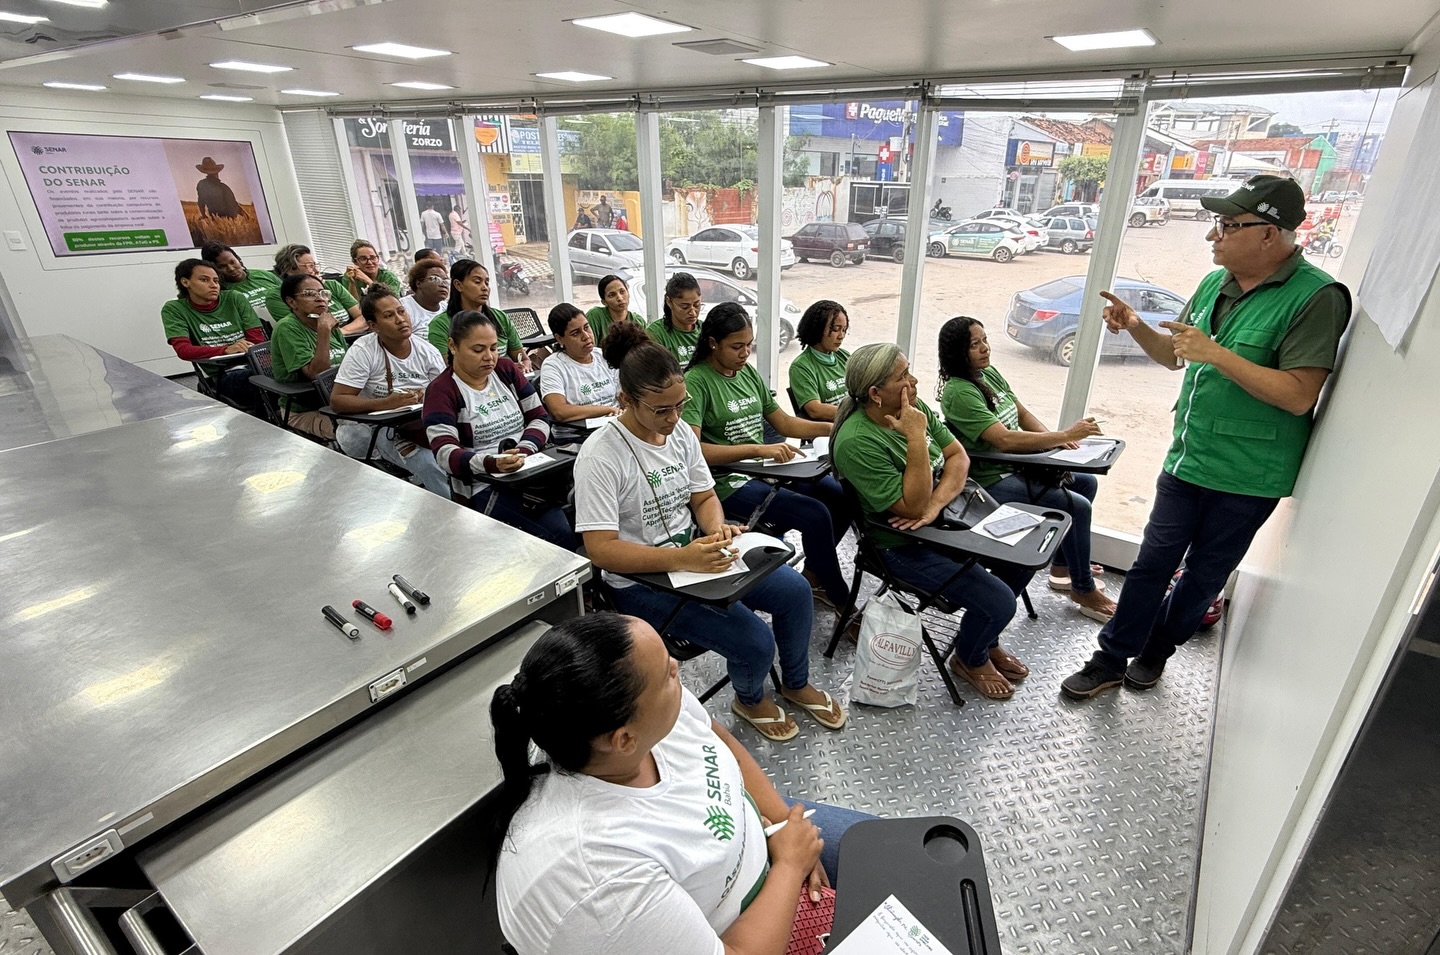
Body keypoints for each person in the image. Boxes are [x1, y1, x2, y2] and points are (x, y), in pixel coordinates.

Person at [1061, 174, 1352, 700]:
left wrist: (1217, 353)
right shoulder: (1214, 284)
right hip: (1188, 459)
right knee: (1151, 563)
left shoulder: (1317, 297)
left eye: (1228, 225)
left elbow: (1298, 395)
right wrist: (1136, 325)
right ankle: (1109, 659)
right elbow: (1175, 355)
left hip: (1249, 475)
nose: (1213, 235)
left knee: (1202, 577)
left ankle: (1157, 651)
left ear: (1269, 233)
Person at [492, 613, 871, 953]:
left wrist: (783, 823)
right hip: (746, 923)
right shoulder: (599, 877)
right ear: (624, 740)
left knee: (888, 847)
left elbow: (718, 740)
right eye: (667, 675)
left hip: (763, 836)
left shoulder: (636, 717)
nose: (677, 666)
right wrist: (789, 866)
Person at [574, 326, 846, 741]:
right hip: (640, 581)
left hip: (694, 555)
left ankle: (795, 682)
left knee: (794, 592)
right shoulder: (600, 455)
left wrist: (716, 527)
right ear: (626, 400)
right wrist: (682, 558)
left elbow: (703, 497)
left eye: (680, 405)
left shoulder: (679, 434)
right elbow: (601, 550)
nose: (674, 418)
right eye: (661, 410)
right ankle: (749, 699)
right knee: (755, 640)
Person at [831, 343, 1035, 701]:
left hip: (945, 522)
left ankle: (984, 638)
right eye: (903, 376)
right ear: (876, 394)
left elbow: (958, 456)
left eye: (909, 370)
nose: (914, 381)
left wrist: (935, 503)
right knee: (1002, 602)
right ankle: (970, 658)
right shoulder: (857, 441)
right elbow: (912, 508)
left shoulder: (911, 408)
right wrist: (915, 439)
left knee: (1024, 558)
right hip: (901, 546)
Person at [937, 316, 1117, 621]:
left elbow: (1021, 413)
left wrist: (1058, 445)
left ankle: (1062, 567)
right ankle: (1083, 588)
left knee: (1086, 482)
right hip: (989, 480)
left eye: (985, 340)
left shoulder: (988, 373)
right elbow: (1004, 439)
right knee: (1078, 507)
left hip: (1018, 466)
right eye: (974, 344)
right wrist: (1062, 435)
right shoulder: (959, 392)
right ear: (957, 352)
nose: (985, 348)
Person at [683, 304, 853, 612]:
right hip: (727, 481)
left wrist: (835, 428)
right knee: (815, 514)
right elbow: (693, 450)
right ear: (712, 343)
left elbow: (785, 423)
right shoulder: (697, 381)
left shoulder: (746, 373)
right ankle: (839, 597)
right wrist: (758, 449)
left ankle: (816, 575)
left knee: (841, 498)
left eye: (749, 345)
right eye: (737, 346)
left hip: (764, 471)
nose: (745, 353)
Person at [422, 309, 575, 549]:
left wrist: (523, 451)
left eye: (493, 348)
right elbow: (444, 453)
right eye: (478, 350)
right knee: (559, 533)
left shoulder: (506, 370)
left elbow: (539, 417)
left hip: (531, 471)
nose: (489, 357)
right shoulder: (442, 390)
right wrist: (493, 463)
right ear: (452, 346)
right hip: (483, 485)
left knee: (582, 513)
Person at [329, 288, 450, 496]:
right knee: (428, 464)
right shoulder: (363, 351)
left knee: (459, 453)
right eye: (388, 315)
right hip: (378, 426)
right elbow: (338, 401)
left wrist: (426, 393)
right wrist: (387, 403)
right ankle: (459, 510)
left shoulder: (426, 350)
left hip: (421, 423)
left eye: (401, 311)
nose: (400, 319)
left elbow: (446, 393)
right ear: (373, 326)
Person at [161, 258, 265, 410]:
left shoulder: (234, 298)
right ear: (185, 282)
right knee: (261, 381)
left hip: (254, 363)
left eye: (216, 281)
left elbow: (257, 340)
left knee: (288, 373)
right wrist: (226, 349)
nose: (213, 285)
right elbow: (184, 350)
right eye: (204, 280)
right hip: (224, 374)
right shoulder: (174, 309)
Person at [268, 272, 348, 441]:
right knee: (362, 433)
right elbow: (317, 374)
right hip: (307, 409)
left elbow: (349, 364)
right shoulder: (287, 328)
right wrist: (324, 331)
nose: (320, 299)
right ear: (291, 302)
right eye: (310, 294)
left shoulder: (327, 323)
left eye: (323, 293)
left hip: (340, 400)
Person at [427, 259, 529, 371]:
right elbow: (449, 368)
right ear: (458, 285)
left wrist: (524, 367)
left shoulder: (500, 317)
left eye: (487, 283)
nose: (484, 288)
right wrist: (505, 369)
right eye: (477, 282)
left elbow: (523, 358)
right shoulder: (440, 325)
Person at [538, 303, 620, 425]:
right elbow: (559, 411)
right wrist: (607, 410)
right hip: (578, 432)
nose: (586, 336)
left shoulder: (603, 355)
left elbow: (624, 396)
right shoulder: (553, 366)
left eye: (586, 328)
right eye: (576, 333)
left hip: (615, 422)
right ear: (559, 339)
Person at [265, 244, 364, 335]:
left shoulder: (332, 285)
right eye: (310, 266)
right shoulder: (276, 296)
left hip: (351, 337)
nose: (316, 270)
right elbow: (304, 327)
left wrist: (342, 332)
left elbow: (363, 317)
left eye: (315, 265)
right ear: (289, 270)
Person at [787, 300, 851, 421]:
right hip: (830, 427)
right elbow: (815, 410)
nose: (841, 336)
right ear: (817, 329)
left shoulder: (844, 356)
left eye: (844, 330)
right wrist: (856, 413)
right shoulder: (801, 367)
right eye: (836, 329)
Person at [200, 241, 280, 322]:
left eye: (232, 262)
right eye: (222, 266)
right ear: (214, 270)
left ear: (238, 259)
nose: (231, 268)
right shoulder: (218, 293)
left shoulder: (264, 275)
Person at [647, 271, 703, 365]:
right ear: (669, 302)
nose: (693, 312)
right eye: (684, 307)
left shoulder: (706, 330)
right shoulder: (656, 334)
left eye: (696, 305)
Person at [585, 274, 645, 343]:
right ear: (604, 302)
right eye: (612, 295)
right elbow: (590, 347)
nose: (620, 298)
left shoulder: (638, 321)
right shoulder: (595, 317)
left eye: (622, 291)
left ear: (628, 293)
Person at [400, 259, 449, 340]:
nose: (443, 284)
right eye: (435, 279)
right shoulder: (403, 309)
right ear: (419, 283)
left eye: (445, 280)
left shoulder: (447, 309)